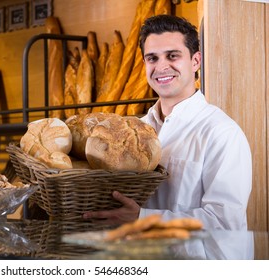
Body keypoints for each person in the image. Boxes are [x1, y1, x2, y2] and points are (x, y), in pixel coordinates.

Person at [83, 15, 252, 230]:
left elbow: (224, 222)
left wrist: (143, 219)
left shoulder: (222, 133)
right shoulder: (137, 128)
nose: (161, 67)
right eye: (152, 58)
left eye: (172, 56)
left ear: (195, 61)